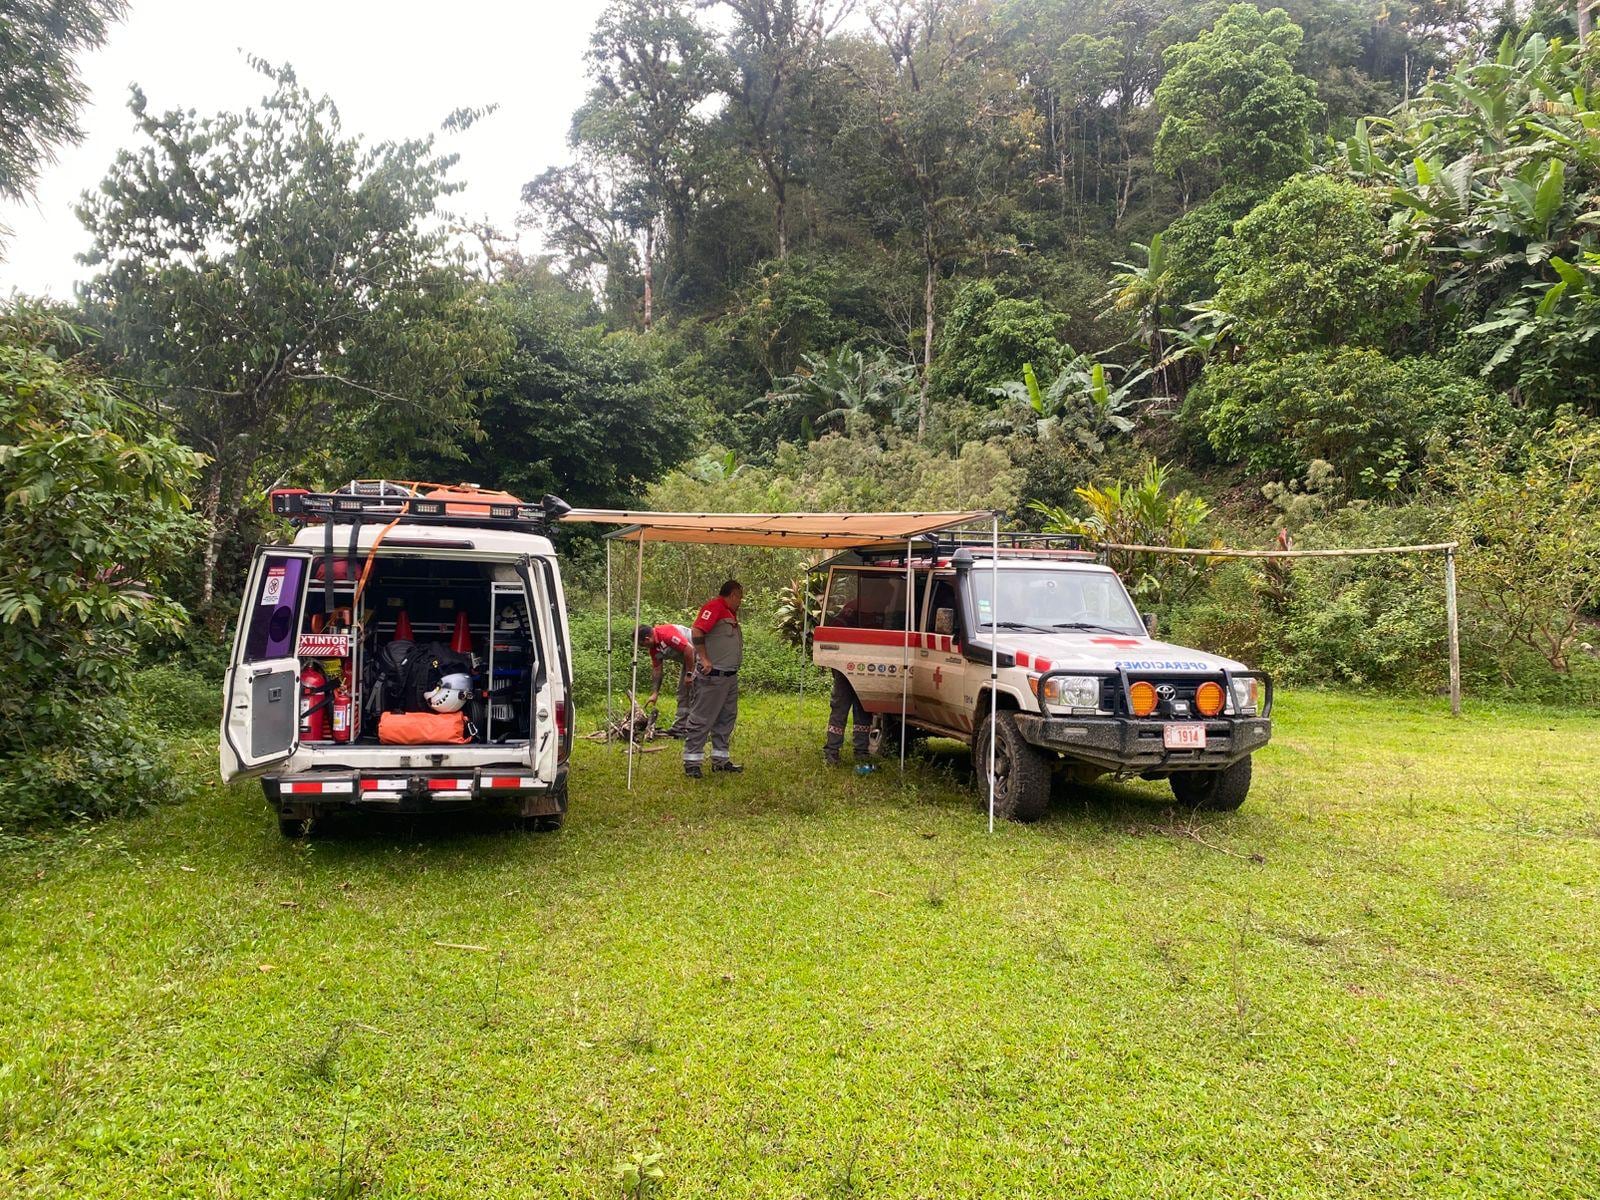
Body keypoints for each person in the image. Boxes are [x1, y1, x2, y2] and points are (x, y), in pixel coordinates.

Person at [682, 580, 744, 778]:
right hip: (713, 676)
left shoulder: (729, 613)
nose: (740, 602)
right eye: (740, 597)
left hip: (729, 677)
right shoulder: (714, 607)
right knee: (702, 718)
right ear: (733, 594)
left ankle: (720, 760)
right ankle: (692, 762)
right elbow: (697, 630)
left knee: (726, 718)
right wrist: (704, 658)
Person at [636, 621, 696, 737]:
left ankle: (698, 728)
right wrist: (655, 693)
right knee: (683, 692)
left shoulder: (666, 634)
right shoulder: (654, 648)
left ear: (647, 639)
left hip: (701, 655)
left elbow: (689, 649)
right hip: (689, 660)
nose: (643, 647)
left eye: (642, 645)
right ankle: (680, 728)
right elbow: (657, 670)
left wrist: (689, 674)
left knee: (697, 692)